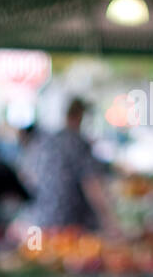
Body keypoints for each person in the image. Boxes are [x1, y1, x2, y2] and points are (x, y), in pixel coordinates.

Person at [29, 98, 112, 230]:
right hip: (74, 224)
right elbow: (92, 184)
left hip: (44, 220)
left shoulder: (48, 141)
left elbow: (31, 177)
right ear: (80, 116)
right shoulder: (78, 142)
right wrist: (109, 221)